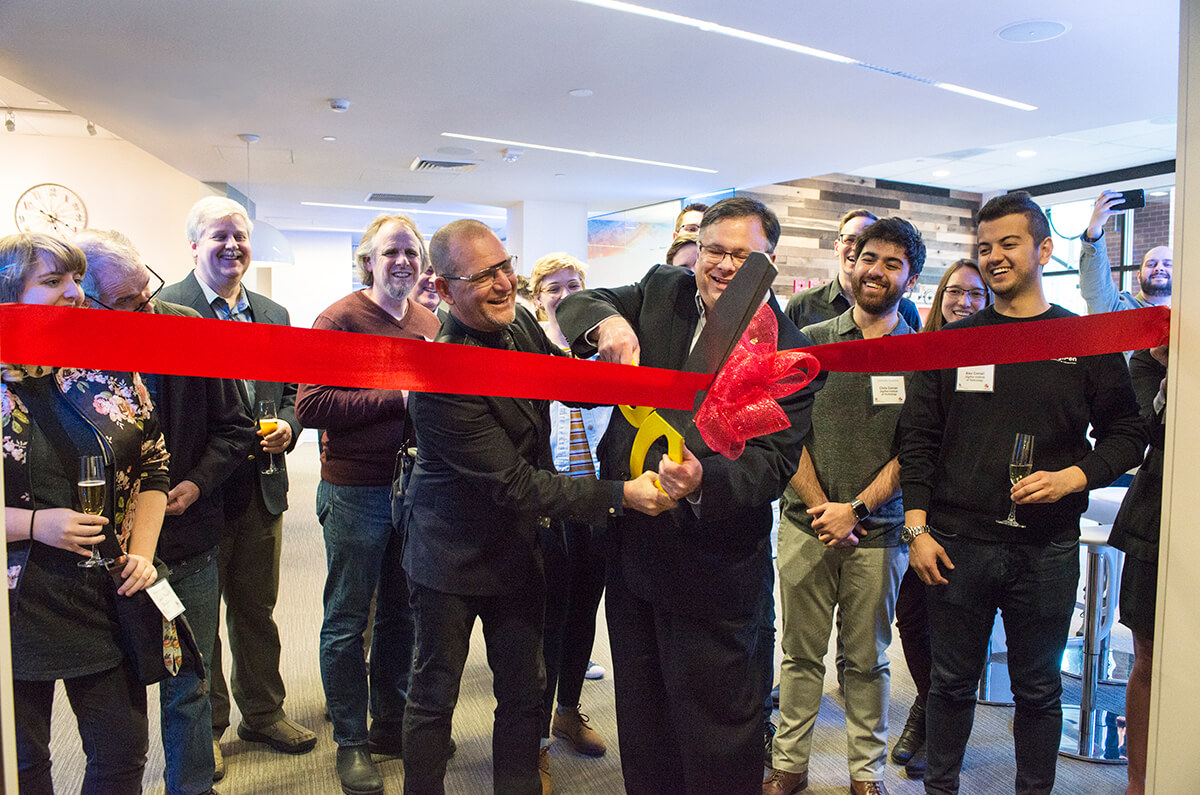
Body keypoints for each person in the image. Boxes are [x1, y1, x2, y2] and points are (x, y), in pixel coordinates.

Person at [557, 197, 825, 794]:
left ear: (769, 262)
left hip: (716, 569)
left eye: (742, 254)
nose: (724, 265)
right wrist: (608, 323)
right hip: (635, 554)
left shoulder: (788, 351)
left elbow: (771, 468)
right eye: (714, 250)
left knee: (717, 736)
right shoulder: (662, 291)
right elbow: (578, 301)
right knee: (644, 724)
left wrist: (705, 482)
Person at [400, 219, 673, 795]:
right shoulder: (440, 377)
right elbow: (519, 484)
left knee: (525, 693)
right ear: (445, 290)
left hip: (518, 551)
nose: (503, 284)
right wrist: (622, 495)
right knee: (433, 695)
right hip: (450, 558)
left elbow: (561, 382)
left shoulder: (517, 318)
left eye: (506, 267)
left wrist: (623, 368)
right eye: (484, 276)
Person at [899, 191, 1146, 795]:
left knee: (1038, 690)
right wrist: (917, 528)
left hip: (1048, 550)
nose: (994, 257)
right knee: (950, 686)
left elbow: (1128, 433)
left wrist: (1075, 477)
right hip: (955, 545)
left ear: (1043, 248)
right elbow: (919, 439)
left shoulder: (1084, 338)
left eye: (1008, 244)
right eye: (984, 248)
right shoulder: (953, 342)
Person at [76, 228, 257, 795]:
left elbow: (235, 427)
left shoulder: (187, 327)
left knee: (190, 685)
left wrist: (197, 484)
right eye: (127, 304)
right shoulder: (60, 354)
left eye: (146, 292)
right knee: (118, 698)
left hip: (185, 541)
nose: (144, 309)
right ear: (84, 298)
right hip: (104, 558)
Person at [2, 233, 169, 795]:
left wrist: (142, 554)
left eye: (75, 280)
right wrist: (33, 525)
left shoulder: (109, 367)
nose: (74, 294)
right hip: (16, 604)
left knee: (122, 754)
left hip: (104, 595)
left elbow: (153, 468)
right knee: (22, 763)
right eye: (52, 282)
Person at [767, 217, 923, 795]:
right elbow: (787, 433)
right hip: (806, 525)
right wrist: (821, 507)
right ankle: (789, 766)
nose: (875, 270)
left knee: (868, 662)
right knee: (799, 657)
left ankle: (867, 774)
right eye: (868, 257)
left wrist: (853, 510)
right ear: (850, 263)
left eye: (891, 263)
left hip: (878, 534)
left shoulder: (921, 354)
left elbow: (917, 449)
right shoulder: (811, 344)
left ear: (910, 276)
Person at [159, 196, 316, 771]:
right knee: (198, 622)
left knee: (256, 608)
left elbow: (295, 390)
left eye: (241, 236)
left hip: (261, 489)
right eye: (218, 236)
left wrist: (291, 426)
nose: (232, 246)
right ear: (194, 245)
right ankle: (210, 729)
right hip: (194, 495)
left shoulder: (273, 314)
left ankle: (264, 711)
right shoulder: (165, 310)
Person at [295, 214, 441, 795]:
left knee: (401, 616)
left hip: (413, 491)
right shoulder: (339, 319)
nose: (401, 261)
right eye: (390, 253)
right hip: (355, 491)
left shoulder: (429, 321)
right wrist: (397, 395)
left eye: (411, 252)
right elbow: (311, 406)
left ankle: (388, 724)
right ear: (368, 261)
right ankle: (351, 742)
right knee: (348, 619)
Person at [889, 258, 991, 780]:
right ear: (938, 296)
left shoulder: (997, 353)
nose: (965, 302)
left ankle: (937, 723)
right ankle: (927, 708)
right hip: (924, 512)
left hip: (975, 522)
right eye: (956, 292)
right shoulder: (924, 352)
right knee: (913, 615)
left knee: (954, 633)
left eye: (977, 294)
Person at [529, 253, 613, 785]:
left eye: (573, 285)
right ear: (537, 297)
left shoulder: (606, 343)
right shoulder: (528, 346)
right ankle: (535, 735)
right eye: (553, 287)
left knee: (585, 610)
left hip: (599, 497)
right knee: (547, 619)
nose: (563, 294)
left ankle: (567, 712)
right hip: (548, 503)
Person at [1108, 344, 1167, 795]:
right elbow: (1148, 431)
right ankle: (1137, 785)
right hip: (1155, 518)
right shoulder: (1151, 357)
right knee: (1147, 657)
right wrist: (1172, 372)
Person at [786, 209, 922, 331]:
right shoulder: (803, 307)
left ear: (911, 281)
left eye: (891, 265)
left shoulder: (907, 310)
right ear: (837, 247)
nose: (875, 271)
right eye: (850, 239)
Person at [1077, 191, 1172, 314]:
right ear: (1139, 276)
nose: (1159, 268)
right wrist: (1094, 229)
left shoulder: (1190, 314)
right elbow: (1096, 288)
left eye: (1168, 264)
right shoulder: (1119, 309)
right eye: (1151, 264)